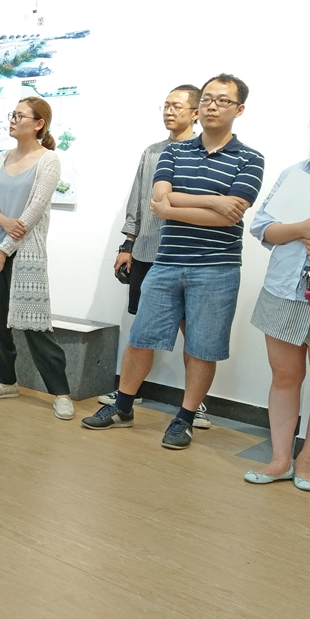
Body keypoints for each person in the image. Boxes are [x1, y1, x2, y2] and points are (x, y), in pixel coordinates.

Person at [83, 74, 265, 449]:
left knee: (202, 347)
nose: (213, 106)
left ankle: (184, 417)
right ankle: (123, 406)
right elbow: (159, 202)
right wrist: (213, 201)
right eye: (208, 98)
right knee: (140, 338)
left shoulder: (250, 158)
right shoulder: (172, 152)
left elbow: (229, 216)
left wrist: (178, 207)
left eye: (223, 100)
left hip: (216, 269)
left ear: (239, 109)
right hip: (165, 263)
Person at [244, 90, 310, 491]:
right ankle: (280, 459)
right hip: (284, 288)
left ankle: (308, 460)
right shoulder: (294, 174)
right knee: (284, 377)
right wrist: (301, 228)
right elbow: (261, 227)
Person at [101, 85, 211, 429]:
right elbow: (137, 199)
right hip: (147, 251)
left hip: (186, 255)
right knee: (143, 329)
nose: (169, 112)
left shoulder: (203, 153)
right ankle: (126, 396)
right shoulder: (152, 152)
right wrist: (127, 245)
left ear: (195, 113)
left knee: (193, 334)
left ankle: (195, 403)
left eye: (177, 106)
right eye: (166, 106)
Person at [0, 98, 74, 420]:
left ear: (39, 123)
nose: (13, 120)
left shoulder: (49, 160)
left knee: (35, 324)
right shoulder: (0, 158)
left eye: (20, 115)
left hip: (23, 253)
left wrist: (6, 247)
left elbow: (35, 210)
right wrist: (3, 222)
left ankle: (60, 392)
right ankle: (7, 382)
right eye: (13, 114)